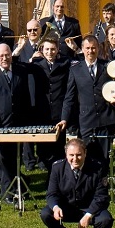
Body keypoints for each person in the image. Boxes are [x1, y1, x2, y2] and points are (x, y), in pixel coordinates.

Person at [0, 43, 47, 202]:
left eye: (7, 55)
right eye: (1, 56)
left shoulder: (21, 70)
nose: (4, 58)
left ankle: (11, 191)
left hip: (19, 123)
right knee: (3, 158)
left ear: (11, 55)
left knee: (15, 157)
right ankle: (15, 188)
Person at [59, 36, 115, 170]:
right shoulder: (75, 69)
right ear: (82, 49)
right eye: (88, 48)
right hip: (86, 121)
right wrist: (64, 119)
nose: (91, 51)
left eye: (93, 48)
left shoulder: (107, 66)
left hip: (106, 119)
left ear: (98, 48)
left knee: (104, 158)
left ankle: (103, 186)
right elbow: (69, 97)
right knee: (86, 157)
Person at [40, 138, 114, 228]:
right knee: (45, 213)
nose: (75, 159)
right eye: (71, 155)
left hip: (89, 207)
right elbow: (51, 193)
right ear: (66, 154)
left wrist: (89, 215)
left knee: (106, 219)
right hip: (67, 208)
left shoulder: (98, 168)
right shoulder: (57, 168)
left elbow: (101, 197)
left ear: (85, 153)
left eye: (79, 155)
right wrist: (55, 207)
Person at [35, 39, 70, 172]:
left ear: (57, 50)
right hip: (42, 112)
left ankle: (58, 173)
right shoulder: (36, 64)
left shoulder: (64, 63)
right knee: (43, 147)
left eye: (53, 49)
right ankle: (48, 170)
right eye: (47, 49)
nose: (50, 52)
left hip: (58, 111)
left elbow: (78, 62)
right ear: (42, 51)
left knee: (59, 146)